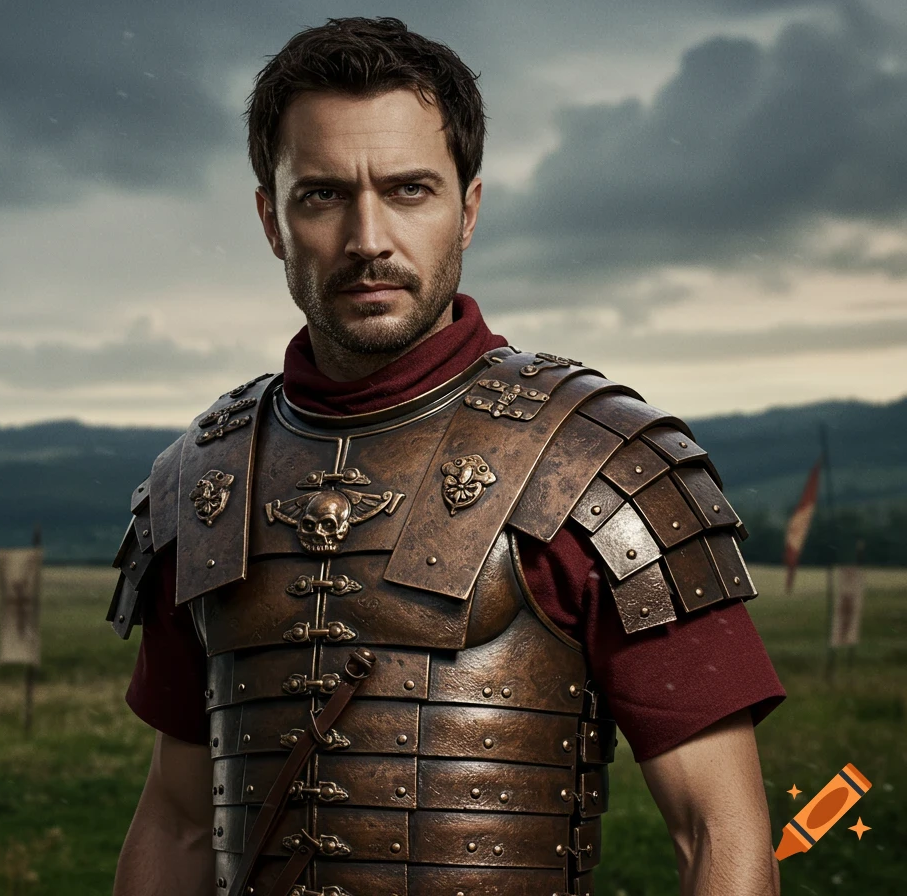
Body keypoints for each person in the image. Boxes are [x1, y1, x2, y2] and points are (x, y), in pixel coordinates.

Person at [108, 17, 784, 896]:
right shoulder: (205, 485)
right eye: (323, 195)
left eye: (409, 190)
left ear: (467, 210)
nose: (368, 239)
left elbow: (720, 836)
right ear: (273, 219)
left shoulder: (601, 466)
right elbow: (177, 826)